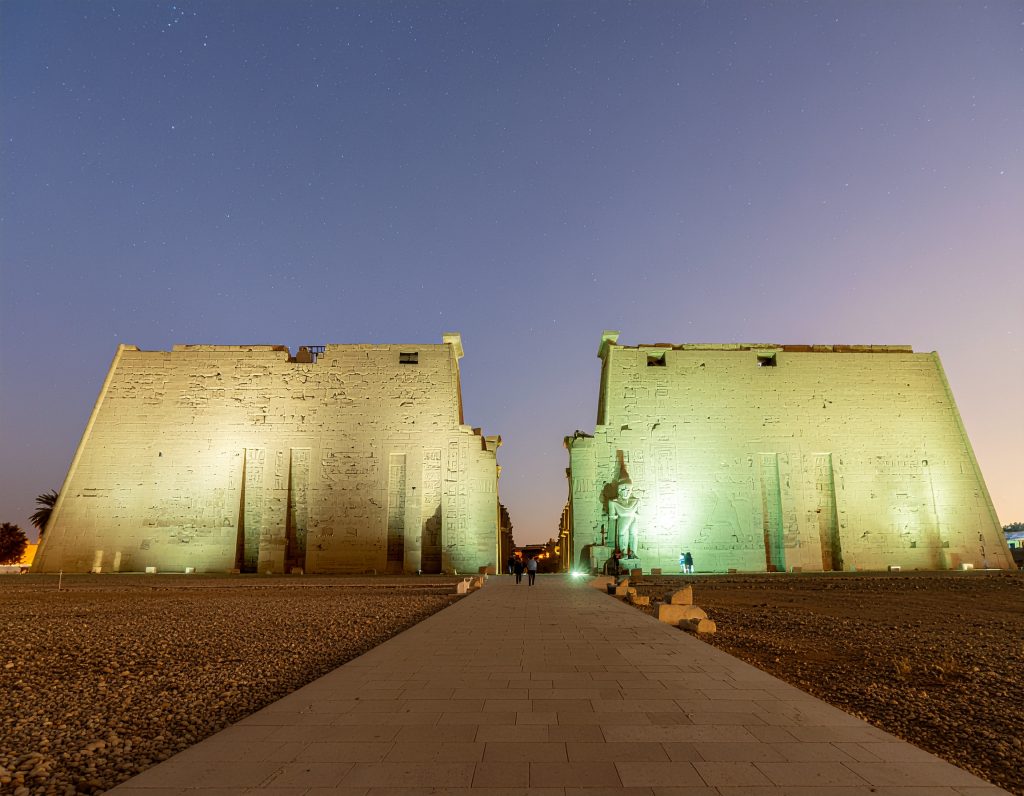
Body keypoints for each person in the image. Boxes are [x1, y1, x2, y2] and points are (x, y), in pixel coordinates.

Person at [608, 480, 640, 555]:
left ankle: (634, 553)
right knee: (623, 534)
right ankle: (623, 553)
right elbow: (612, 517)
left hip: (633, 519)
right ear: (619, 491)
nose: (625, 492)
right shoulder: (613, 502)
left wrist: (633, 515)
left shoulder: (636, 501)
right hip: (623, 520)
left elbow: (638, 514)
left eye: (628, 490)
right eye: (623, 490)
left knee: (634, 535)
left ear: (631, 490)